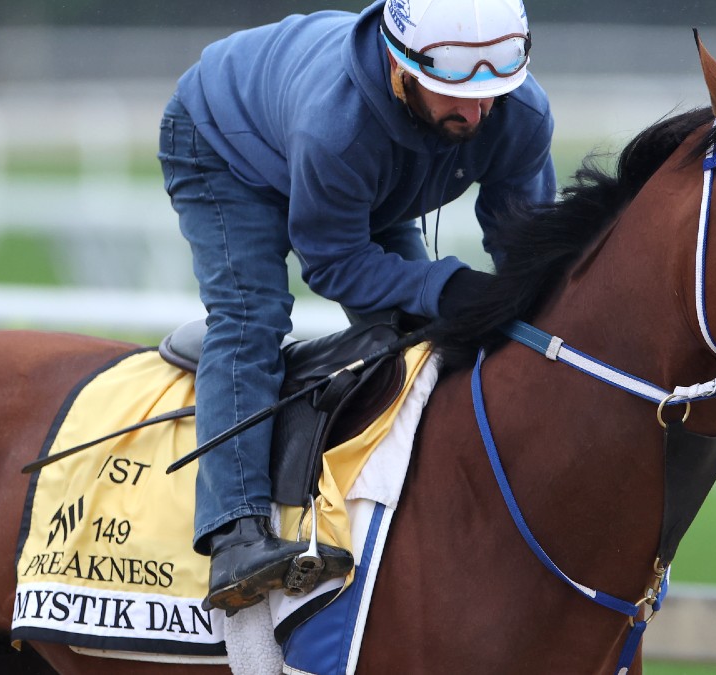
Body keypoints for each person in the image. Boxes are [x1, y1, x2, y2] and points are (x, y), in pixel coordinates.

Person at [157, 0, 556, 612]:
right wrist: (446, 285)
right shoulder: (336, 125)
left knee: (421, 337)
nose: (477, 113)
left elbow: (527, 250)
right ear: (402, 69)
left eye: (493, 93)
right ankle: (235, 535)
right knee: (253, 314)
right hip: (224, 143)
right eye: (454, 94)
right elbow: (333, 264)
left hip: (360, 175)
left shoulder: (518, 114)